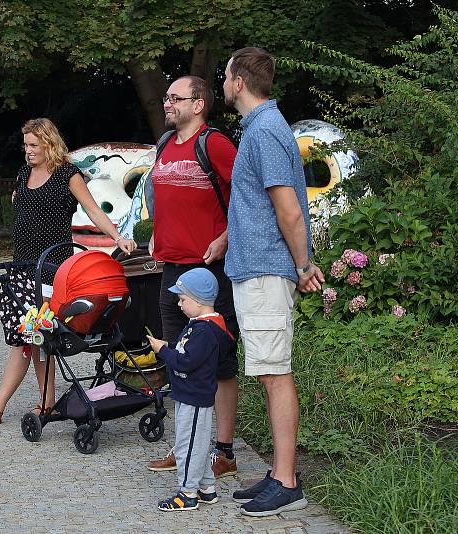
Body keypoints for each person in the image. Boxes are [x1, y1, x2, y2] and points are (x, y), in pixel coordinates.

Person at [0, 117, 137, 428]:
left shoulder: (67, 175)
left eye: (33, 145)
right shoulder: (24, 173)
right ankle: (41, 401)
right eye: (25, 145)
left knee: (36, 336)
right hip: (22, 268)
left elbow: (92, 209)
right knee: (31, 336)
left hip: (52, 270)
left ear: (49, 143)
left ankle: (3, 405)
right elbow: (19, 202)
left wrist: (116, 237)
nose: (28, 151)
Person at [222, 47, 324, 517]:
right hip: (254, 266)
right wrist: (227, 238)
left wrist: (304, 266)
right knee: (268, 369)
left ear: (238, 81)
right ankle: (279, 472)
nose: (224, 83)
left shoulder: (264, 131)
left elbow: (287, 209)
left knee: (275, 372)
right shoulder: (260, 130)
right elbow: (260, 206)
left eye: (225, 75)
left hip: (266, 270)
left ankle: (286, 480)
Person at [146, 75, 241, 479]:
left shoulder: (215, 144)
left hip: (209, 271)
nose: (167, 104)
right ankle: (186, 445)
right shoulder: (166, 144)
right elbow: (162, 195)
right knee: (178, 360)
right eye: (165, 98)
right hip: (172, 270)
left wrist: (225, 237)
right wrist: (154, 232)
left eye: (174, 98)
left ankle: (223, 452)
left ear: (198, 103)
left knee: (218, 364)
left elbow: (249, 195)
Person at [147, 268, 236, 511]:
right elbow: (188, 350)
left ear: (198, 301)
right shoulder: (201, 325)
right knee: (197, 444)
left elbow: (185, 361)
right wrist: (170, 345)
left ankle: (187, 493)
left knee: (188, 446)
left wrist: (163, 351)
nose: (178, 303)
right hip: (190, 395)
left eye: (183, 299)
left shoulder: (205, 331)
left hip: (195, 398)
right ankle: (207, 489)